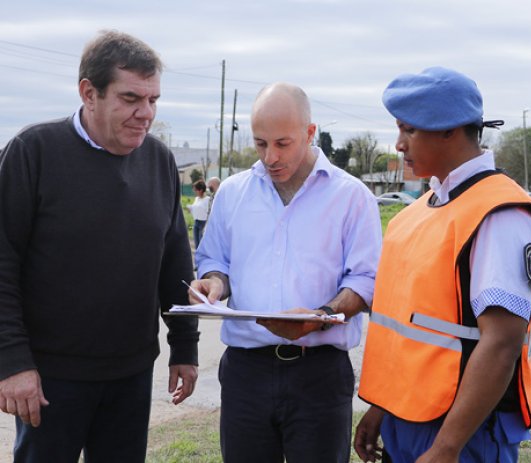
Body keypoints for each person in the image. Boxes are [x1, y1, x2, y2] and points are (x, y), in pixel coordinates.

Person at [0, 30, 199, 462]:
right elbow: (2, 265)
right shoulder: (32, 153)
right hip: (50, 379)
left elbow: (173, 261)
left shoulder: (160, 161)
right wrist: (12, 362)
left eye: (153, 100)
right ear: (89, 92)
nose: (145, 113)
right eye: (131, 98)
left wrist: (184, 346)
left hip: (131, 373)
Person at [354, 67, 531, 463]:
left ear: (448, 129)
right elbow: (408, 327)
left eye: (409, 130)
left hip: (463, 432)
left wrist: (447, 447)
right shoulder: (415, 214)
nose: (399, 145)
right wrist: (381, 407)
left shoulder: (500, 215)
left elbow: (501, 342)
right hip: (407, 417)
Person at [190, 83, 381, 463]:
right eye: (260, 144)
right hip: (246, 372)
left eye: (282, 143)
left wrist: (319, 317)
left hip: (319, 375)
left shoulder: (351, 196)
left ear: (310, 133)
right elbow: (216, 260)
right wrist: (213, 282)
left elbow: (366, 280)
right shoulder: (232, 193)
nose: (270, 157)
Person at [188, 179, 211, 248]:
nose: (194, 192)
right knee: (196, 244)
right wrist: (190, 209)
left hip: (203, 224)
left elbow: (209, 213)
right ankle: (197, 258)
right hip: (196, 223)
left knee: (202, 245)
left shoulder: (208, 200)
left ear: (200, 190)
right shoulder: (196, 199)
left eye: (195, 190)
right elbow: (195, 208)